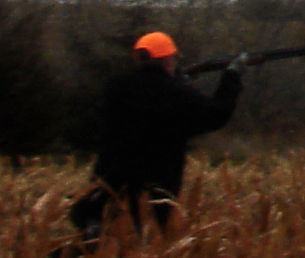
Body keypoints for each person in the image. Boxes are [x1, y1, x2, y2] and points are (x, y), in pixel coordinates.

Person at [72, 31, 244, 242]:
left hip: (109, 182)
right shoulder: (174, 92)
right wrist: (232, 76)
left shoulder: (115, 86)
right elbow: (216, 114)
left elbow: (144, 101)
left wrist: (176, 81)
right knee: (145, 248)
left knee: (100, 239)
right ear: (168, 59)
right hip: (154, 192)